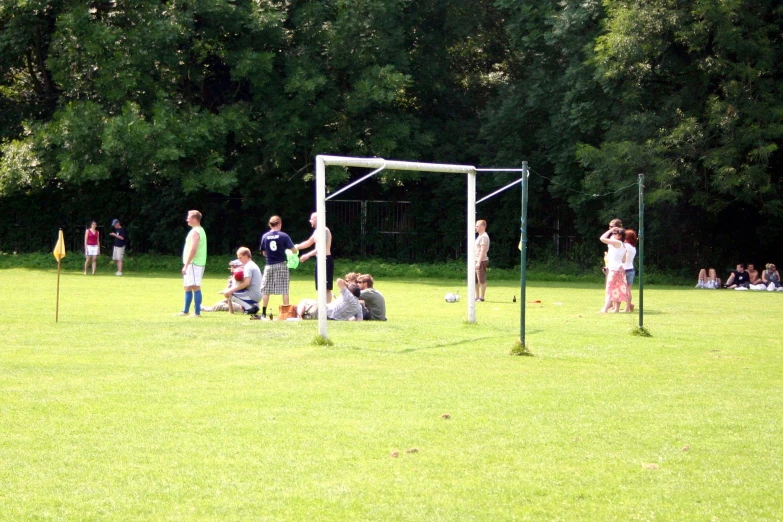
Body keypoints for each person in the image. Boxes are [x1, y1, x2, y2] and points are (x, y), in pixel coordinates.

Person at [258, 215, 297, 319]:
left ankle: (263, 313)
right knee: (284, 289)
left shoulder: (265, 236)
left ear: (270, 225)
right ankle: (286, 313)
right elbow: (294, 250)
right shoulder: (284, 235)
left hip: (269, 265)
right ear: (279, 223)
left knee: (266, 290)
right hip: (281, 264)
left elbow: (264, 252)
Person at [296, 212, 333, 303]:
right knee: (320, 286)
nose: (310, 221)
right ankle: (321, 306)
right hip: (319, 260)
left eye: (312, 219)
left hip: (326, 260)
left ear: (317, 219)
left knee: (326, 287)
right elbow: (309, 242)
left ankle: (327, 308)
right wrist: (295, 247)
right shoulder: (317, 231)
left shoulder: (324, 230)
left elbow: (321, 247)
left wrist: (307, 255)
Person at [178, 210, 207, 317]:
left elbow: (193, 249)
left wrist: (186, 264)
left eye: (189, 217)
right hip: (192, 263)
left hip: (194, 263)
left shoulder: (196, 231)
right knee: (187, 286)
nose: (187, 219)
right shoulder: (197, 230)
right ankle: (185, 311)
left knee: (195, 286)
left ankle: (197, 312)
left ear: (195, 219)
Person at [296, 278, 363, 321]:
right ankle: (301, 317)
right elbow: (360, 320)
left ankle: (299, 317)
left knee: (304, 301)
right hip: (330, 319)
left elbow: (339, 281)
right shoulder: (359, 307)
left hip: (322, 311)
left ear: (350, 292)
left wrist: (347, 284)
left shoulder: (349, 296)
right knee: (307, 316)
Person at [223, 247, 262, 315]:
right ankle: (253, 306)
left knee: (228, 292)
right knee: (231, 290)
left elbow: (246, 283)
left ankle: (249, 308)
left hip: (254, 295)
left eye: (240, 257)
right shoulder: (252, 264)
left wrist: (230, 290)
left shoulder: (248, 266)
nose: (239, 260)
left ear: (246, 256)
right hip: (259, 295)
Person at [599, 226, 628, 313]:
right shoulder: (623, 245)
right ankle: (617, 309)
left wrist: (609, 230)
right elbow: (624, 260)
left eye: (615, 233)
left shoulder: (617, 242)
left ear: (620, 236)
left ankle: (606, 308)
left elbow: (602, 238)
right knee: (617, 288)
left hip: (614, 269)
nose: (613, 234)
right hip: (620, 269)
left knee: (610, 288)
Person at [622, 229, 637, 312]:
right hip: (631, 269)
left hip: (624, 269)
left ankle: (626, 308)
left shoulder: (625, 246)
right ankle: (629, 306)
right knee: (628, 289)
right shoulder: (633, 247)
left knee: (620, 289)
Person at [475, 220, 490, 302]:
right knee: (475, 280)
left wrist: (478, 262)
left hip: (481, 261)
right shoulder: (480, 236)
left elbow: (483, 250)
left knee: (481, 280)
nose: (475, 227)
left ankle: (482, 297)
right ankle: (476, 297)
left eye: (477, 226)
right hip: (476, 260)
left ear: (482, 226)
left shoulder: (484, 236)